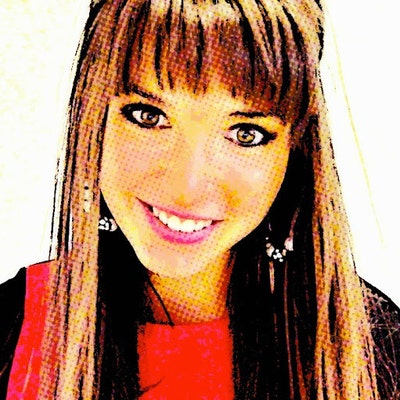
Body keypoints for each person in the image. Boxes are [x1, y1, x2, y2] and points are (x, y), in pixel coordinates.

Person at [0, 0, 399, 399]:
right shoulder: (14, 328)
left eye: (245, 134)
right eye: (147, 116)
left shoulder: (371, 347)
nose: (187, 188)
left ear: (295, 149)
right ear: (91, 117)